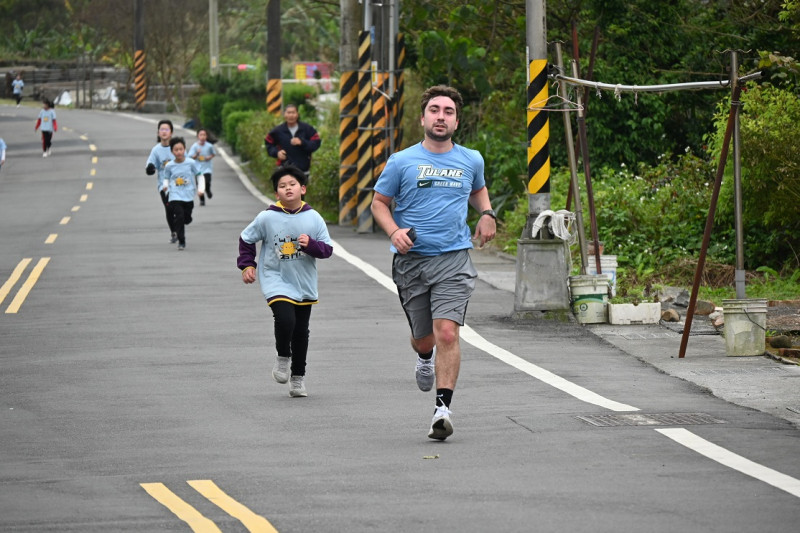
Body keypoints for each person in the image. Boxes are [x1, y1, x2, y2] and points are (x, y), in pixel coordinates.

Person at [370, 85, 497, 441]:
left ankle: (442, 409)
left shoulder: (471, 159)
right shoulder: (401, 161)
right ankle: (424, 357)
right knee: (423, 339)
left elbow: (477, 189)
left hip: (454, 259)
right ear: (423, 117)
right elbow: (379, 203)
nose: (441, 117)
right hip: (411, 263)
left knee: (447, 333)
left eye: (448, 112)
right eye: (435, 110)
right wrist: (394, 232)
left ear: (457, 121)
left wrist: (486, 213)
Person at [237, 165, 333, 398]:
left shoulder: (314, 217)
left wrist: (311, 245)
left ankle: (298, 378)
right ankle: (282, 356)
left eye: (292, 184)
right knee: (285, 318)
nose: (287, 188)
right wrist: (247, 264)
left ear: (303, 189)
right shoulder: (267, 217)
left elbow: (327, 250)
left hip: (304, 282)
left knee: (301, 331)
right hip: (275, 278)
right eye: (282, 186)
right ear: (276, 193)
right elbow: (246, 238)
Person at [160, 137, 203, 250]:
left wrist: (201, 189)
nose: (179, 152)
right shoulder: (169, 165)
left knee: (186, 218)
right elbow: (166, 178)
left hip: (188, 195)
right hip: (175, 195)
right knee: (179, 216)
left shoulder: (191, 163)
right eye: (176, 150)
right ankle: (181, 241)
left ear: (184, 150)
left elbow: (199, 174)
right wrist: (165, 186)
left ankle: (185, 219)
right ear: (172, 151)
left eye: (181, 149)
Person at [264, 104, 321, 177]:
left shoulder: (307, 129)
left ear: (297, 114)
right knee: (287, 188)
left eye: (293, 112)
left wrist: (302, 142)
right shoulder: (278, 130)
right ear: (284, 114)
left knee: (300, 188)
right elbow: (268, 143)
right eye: (288, 112)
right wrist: (277, 153)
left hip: (302, 170)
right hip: (284, 169)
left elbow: (316, 143)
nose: (291, 115)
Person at [145, 119, 177, 243]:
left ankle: (180, 226)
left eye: (166, 129)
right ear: (158, 133)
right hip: (164, 185)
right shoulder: (156, 150)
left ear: (171, 132)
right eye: (161, 129)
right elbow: (150, 165)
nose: (164, 132)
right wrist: (151, 169)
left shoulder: (177, 147)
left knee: (179, 210)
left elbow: (187, 161)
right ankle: (174, 232)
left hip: (179, 184)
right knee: (169, 209)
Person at [187, 128, 217, 206]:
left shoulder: (209, 146)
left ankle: (208, 190)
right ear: (198, 136)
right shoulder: (195, 146)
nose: (202, 137)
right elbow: (190, 157)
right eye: (201, 135)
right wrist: (197, 154)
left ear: (206, 136)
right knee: (200, 185)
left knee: (207, 182)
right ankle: (202, 200)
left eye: (204, 135)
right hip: (198, 169)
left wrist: (209, 157)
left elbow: (213, 154)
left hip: (207, 169)